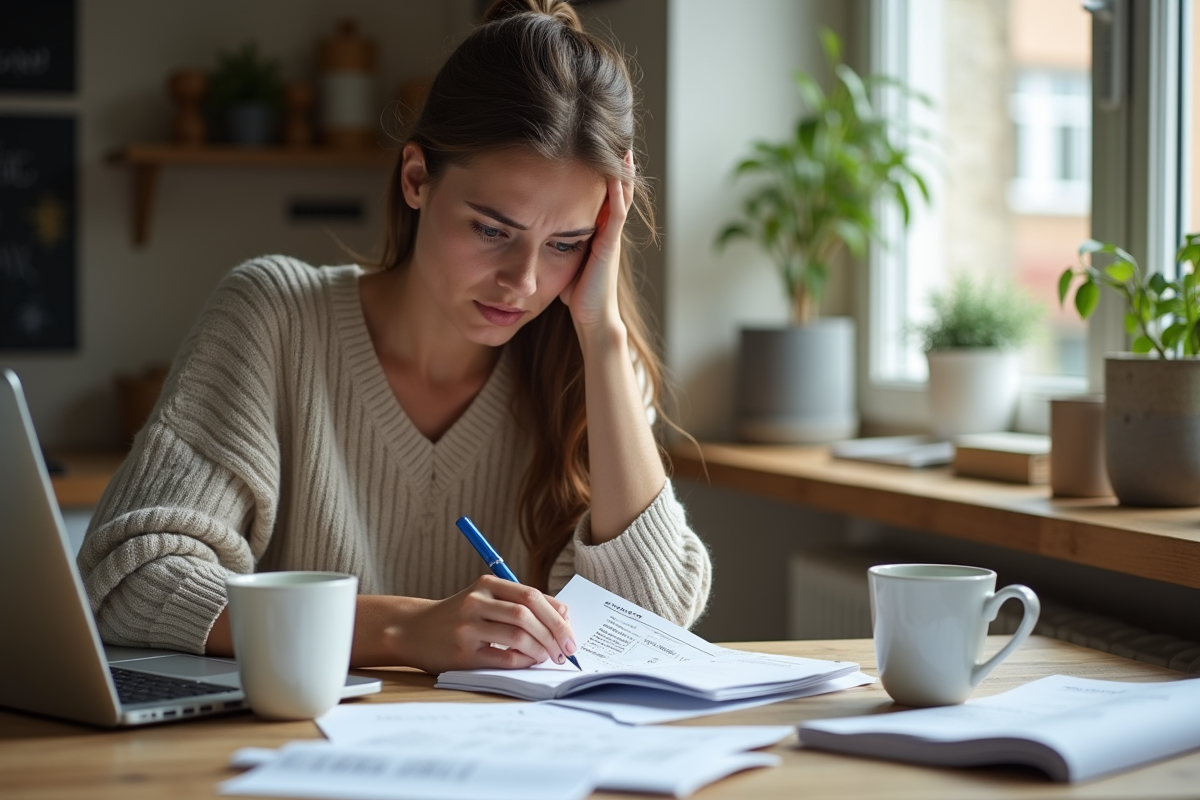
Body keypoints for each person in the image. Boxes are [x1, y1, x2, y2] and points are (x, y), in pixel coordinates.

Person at [78, 0, 711, 676]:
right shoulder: (273, 318)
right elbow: (127, 580)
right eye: (492, 230)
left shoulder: (596, 370)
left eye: (565, 243)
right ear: (417, 179)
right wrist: (403, 629)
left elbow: (648, 627)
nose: (522, 282)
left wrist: (604, 331)